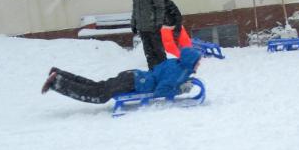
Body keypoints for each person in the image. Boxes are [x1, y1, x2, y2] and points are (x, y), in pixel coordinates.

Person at [41, 46, 202, 104]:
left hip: (133, 75)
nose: (199, 64)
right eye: (198, 62)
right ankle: (56, 82)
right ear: (190, 62)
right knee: (99, 95)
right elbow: (161, 90)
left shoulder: (175, 63)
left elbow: (160, 73)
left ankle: (60, 74)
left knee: (98, 86)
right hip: (134, 83)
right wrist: (179, 90)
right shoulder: (180, 73)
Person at [130, 0, 167, 69]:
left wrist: (159, 23)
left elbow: (160, 7)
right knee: (148, 53)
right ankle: (153, 72)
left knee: (159, 52)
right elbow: (135, 7)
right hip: (142, 28)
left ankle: (164, 71)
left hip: (153, 27)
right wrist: (134, 22)